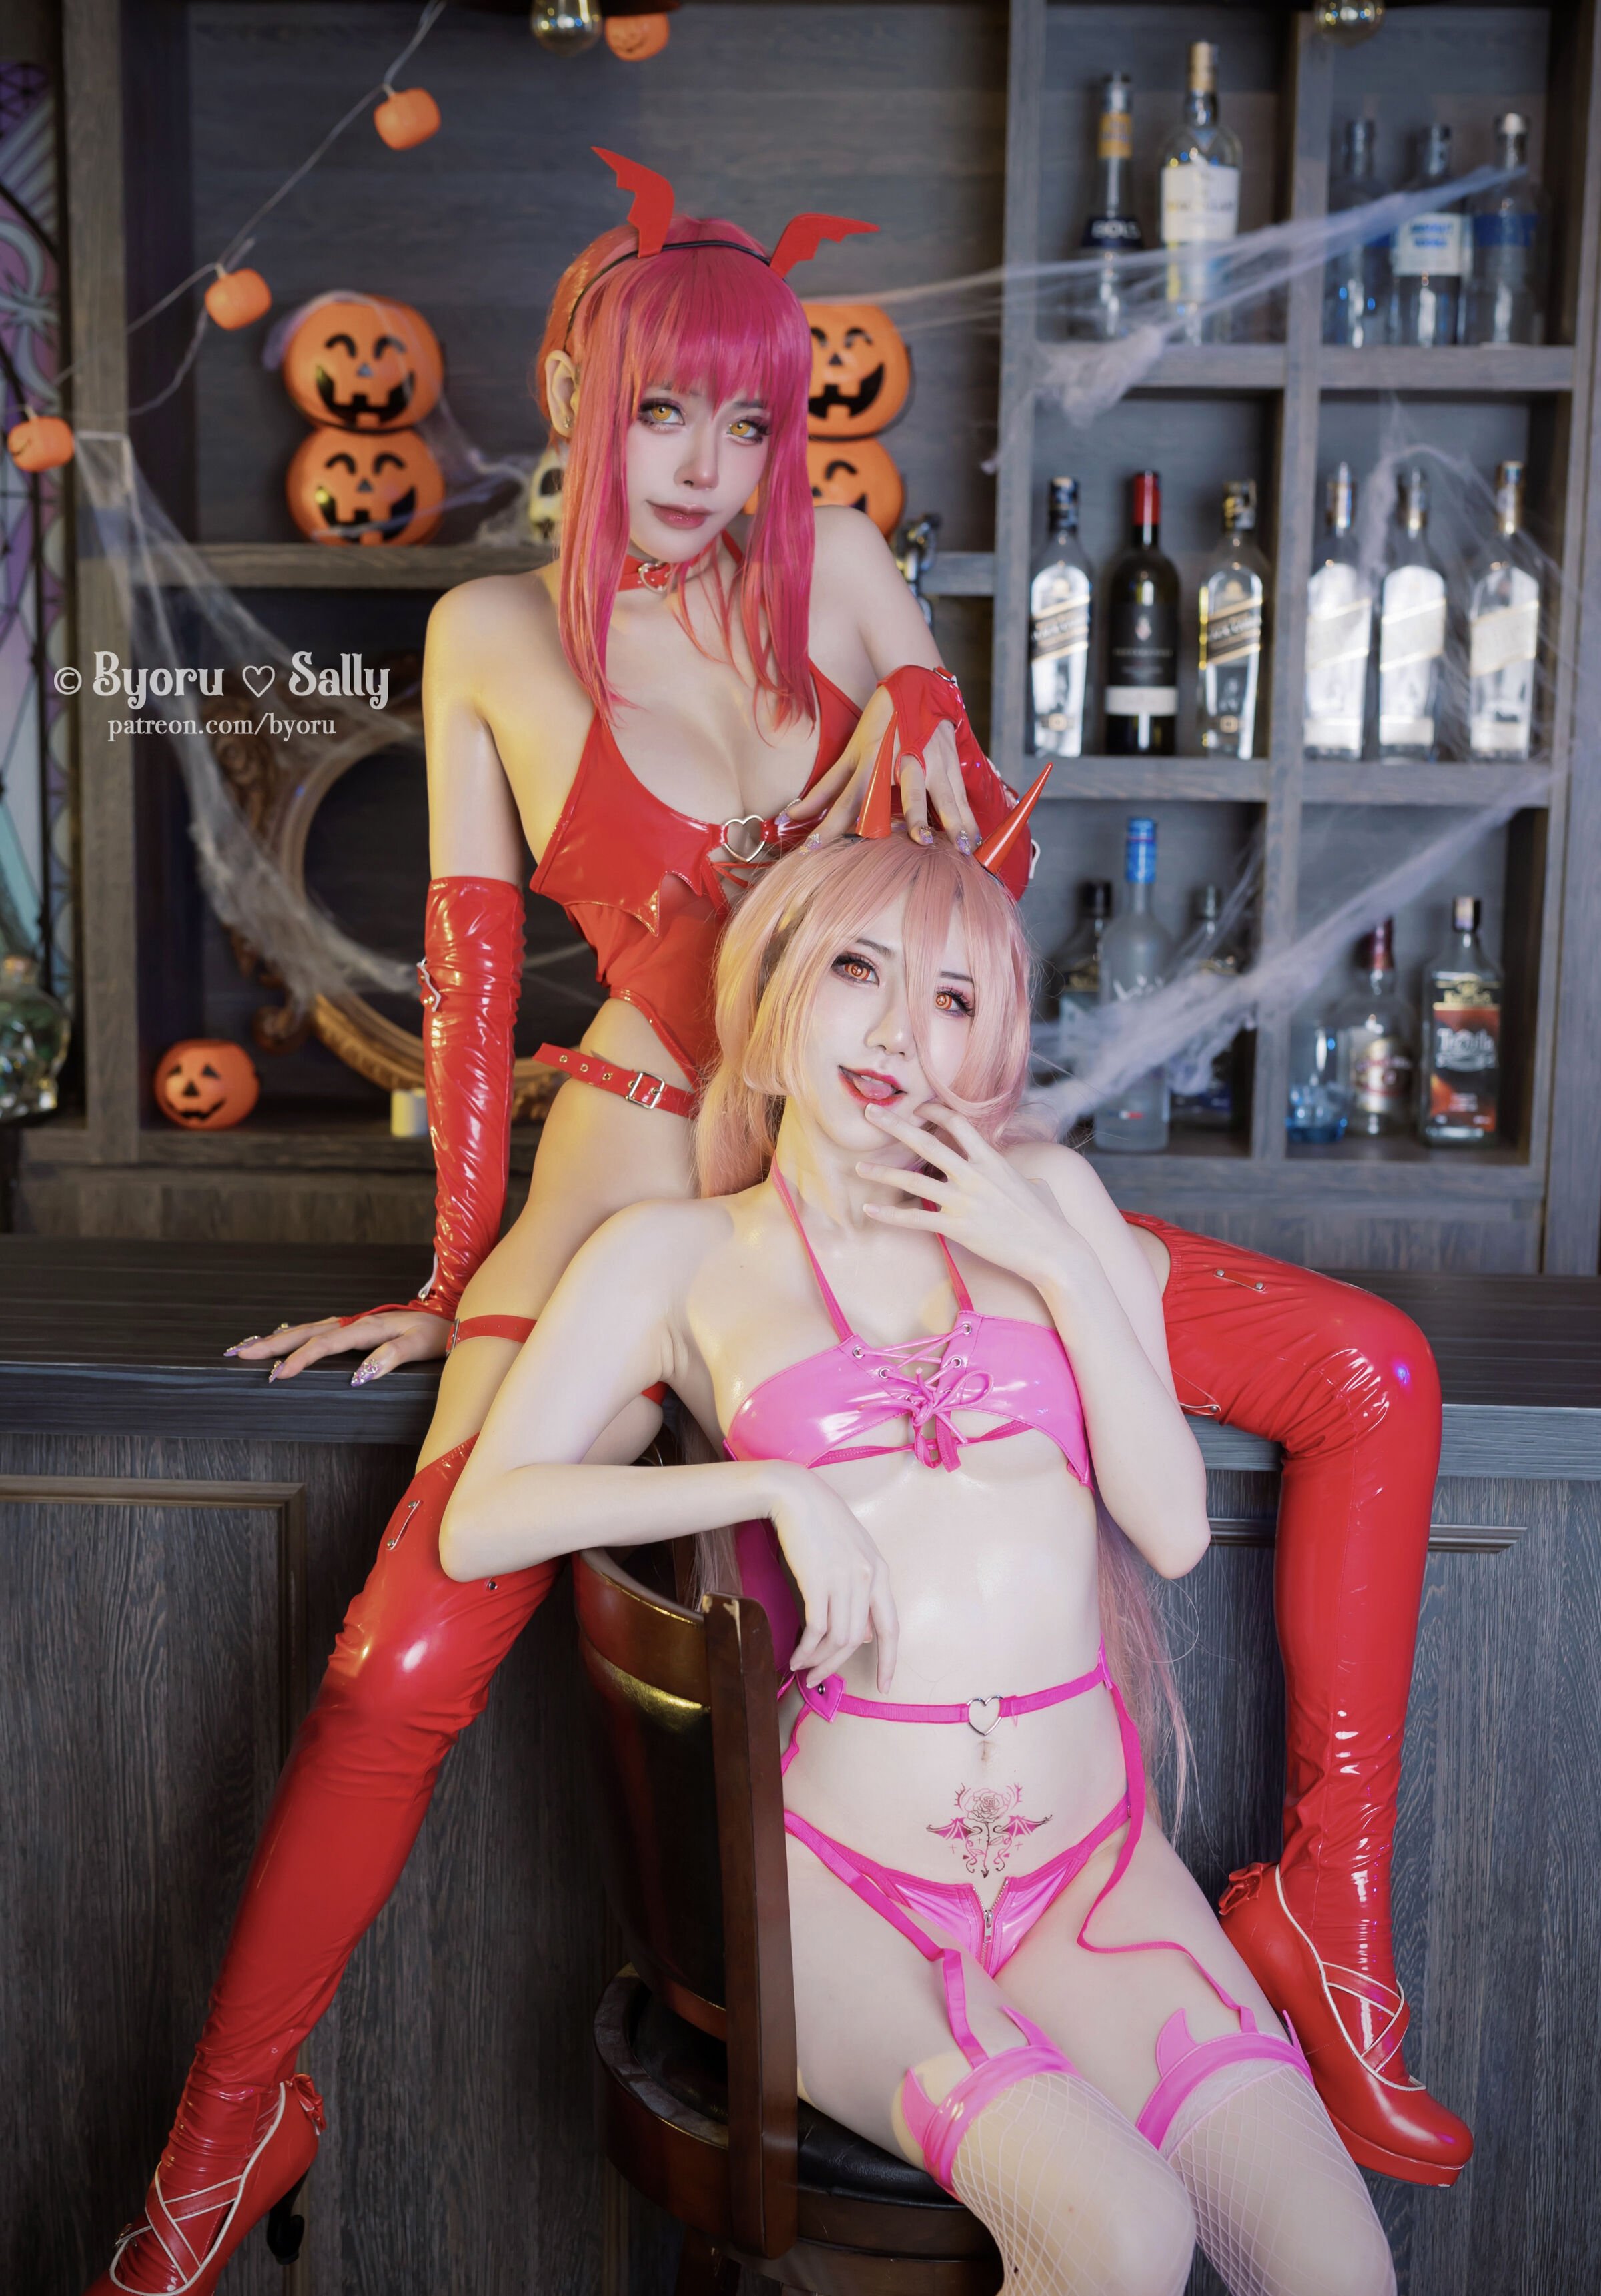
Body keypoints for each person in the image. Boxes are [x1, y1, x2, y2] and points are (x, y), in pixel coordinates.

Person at [87, 153, 1463, 2296]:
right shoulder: (488, 636)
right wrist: (455, 1271)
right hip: (646, 1166)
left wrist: (947, 771)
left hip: (896, 1173)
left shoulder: (850, 582)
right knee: (398, 1663)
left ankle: (1325, 1920)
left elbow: (966, 910)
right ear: (577, 391)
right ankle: (222, 2132)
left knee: (1372, 1368)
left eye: (751, 424)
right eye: (665, 411)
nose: (706, 466)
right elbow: (469, 971)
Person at [440, 825, 1399, 2296]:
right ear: (776, 998)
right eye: (858, 971)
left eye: (952, 998)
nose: (899, 1030)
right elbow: (481, 1515)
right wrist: (768, 1481)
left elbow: (1173, 1526)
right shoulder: (675, 1256)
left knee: (1341, 2269)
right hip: (842, 1894)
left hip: (1088, 1875)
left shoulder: (1051, 1202)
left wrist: (1055, 1253)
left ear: (987, 1042)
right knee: (1125, 2234)